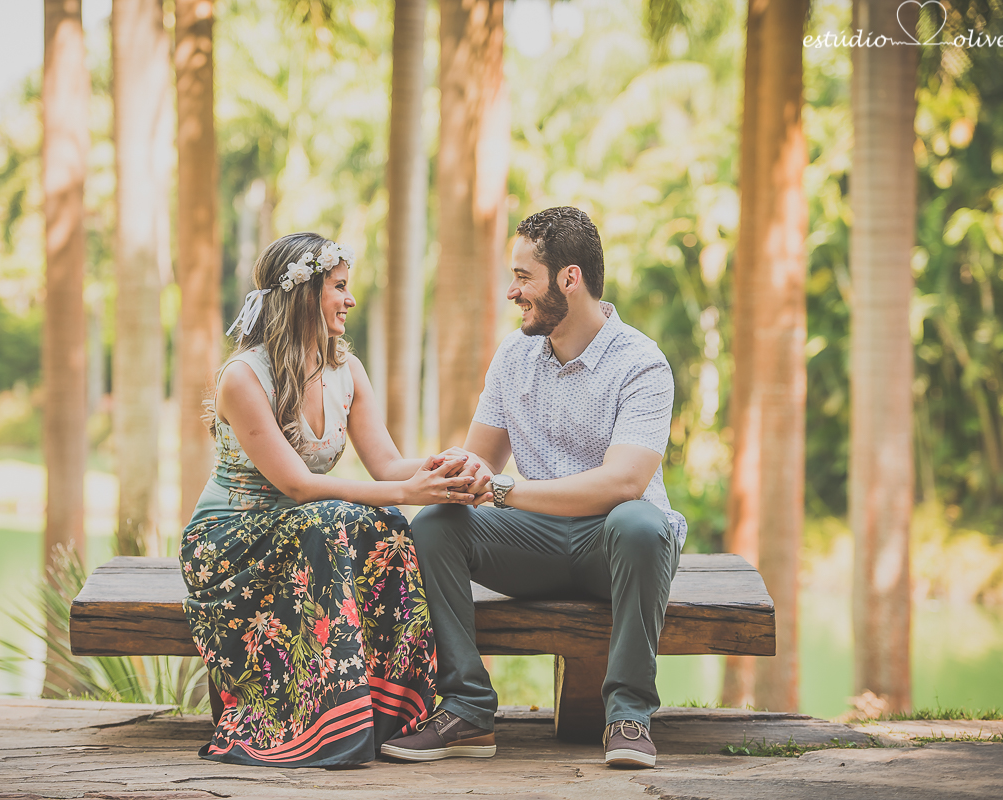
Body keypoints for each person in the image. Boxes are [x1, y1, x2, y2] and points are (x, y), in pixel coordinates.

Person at [379, 207, 687, 768]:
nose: (511, 292)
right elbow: (480, 459)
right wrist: (432, 473)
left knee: (641, 520)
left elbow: (625, 482)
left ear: (569, 279)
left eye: (524, 278)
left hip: (614, 547)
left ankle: (629, 714)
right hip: (536, 542)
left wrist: (505, 491)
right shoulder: (514, 355)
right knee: (436, 527)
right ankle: (468, 708)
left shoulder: (641, 363)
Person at [181, 232, 482, 768]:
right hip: (231, 543)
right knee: (330, 519)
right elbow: (296, 486)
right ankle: (321, 725)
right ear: (304, 295)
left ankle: (388, 712)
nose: (351, 299)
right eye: (339, 287)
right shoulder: (244, 378)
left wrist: (450, 467)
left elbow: (388, 466)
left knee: (388, 523)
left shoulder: (347, 371)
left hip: (310, 531)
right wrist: (405, 491)